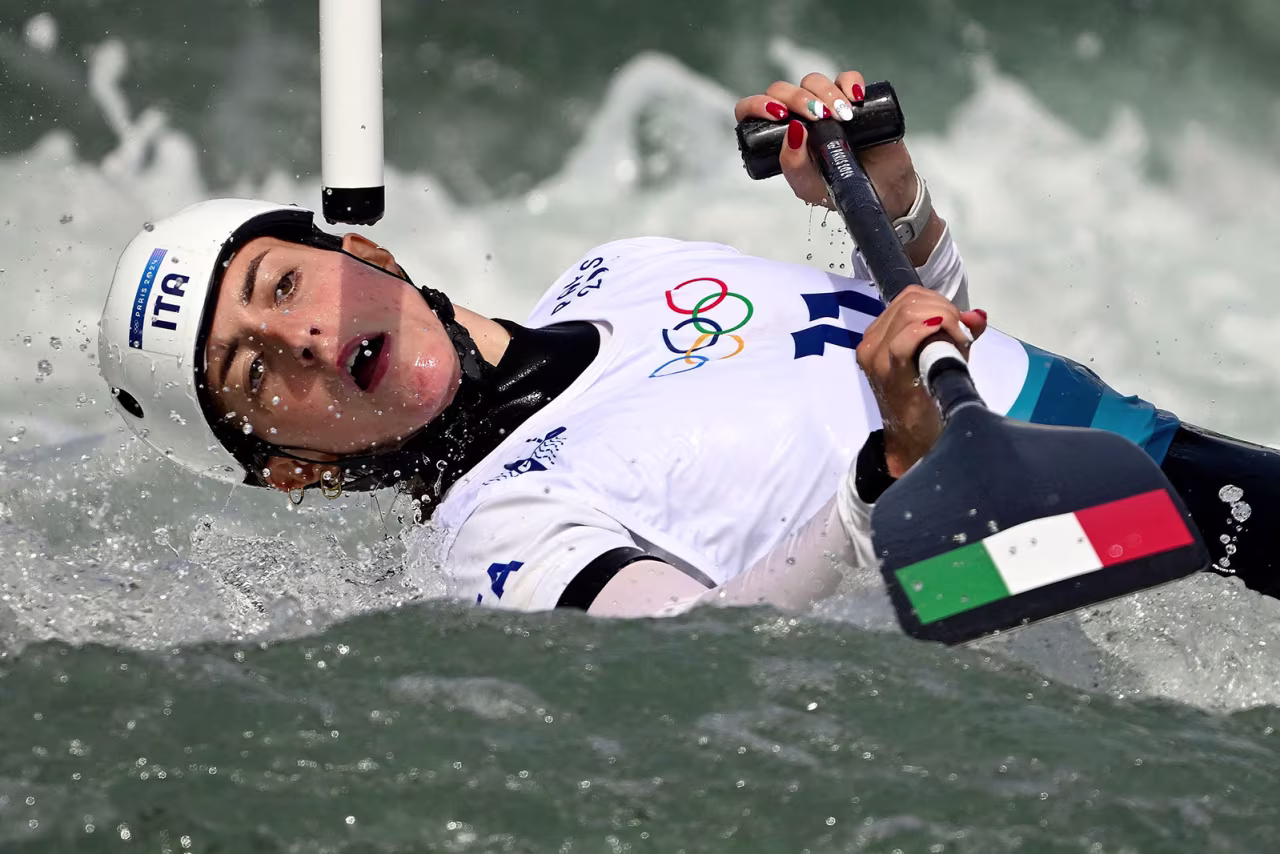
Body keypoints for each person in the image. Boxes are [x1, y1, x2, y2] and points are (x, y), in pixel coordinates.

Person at [98, 69, 1280, 622]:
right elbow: (713, 651)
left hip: (1143, 453)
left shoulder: (625, 262)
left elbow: (925, 335)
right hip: (1031, 573)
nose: (302, 335)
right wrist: (888, 480)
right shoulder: (489, 539)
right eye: (253, 370)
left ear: (371, 259)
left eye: (282, 282)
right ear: (292, 469)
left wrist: (886, 200)